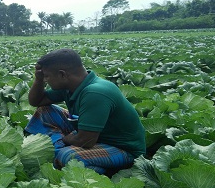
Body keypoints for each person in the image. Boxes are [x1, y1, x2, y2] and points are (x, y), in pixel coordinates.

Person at [25, 48, 146, 176]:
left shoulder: (95, 92)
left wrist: (66, 139)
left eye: (47, 76)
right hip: (92, 136)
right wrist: (38, 79)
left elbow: (86, 141)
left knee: (68, 156)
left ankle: (109, 171)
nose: (45, 80)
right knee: (44, 112)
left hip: (123, 150)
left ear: (62, 75)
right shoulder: (70, 85)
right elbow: (37, 101)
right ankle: (61, 150)